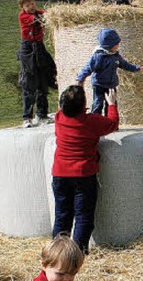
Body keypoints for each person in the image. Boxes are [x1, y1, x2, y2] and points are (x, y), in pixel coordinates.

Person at [51, 85, 119, 255]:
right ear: (84, 105)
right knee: (83, 216)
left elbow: (68, 106)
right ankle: (78, 253)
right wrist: (111, 104)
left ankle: (57, 255)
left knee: (62, 216)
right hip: (83, 175)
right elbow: (112, 124)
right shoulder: (92, 121)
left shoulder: (59, 118)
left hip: (60, 173)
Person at [76, 29, 143, 116]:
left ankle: (111, 122)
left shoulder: (116, 56)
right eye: (116, 44)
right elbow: (88, 67)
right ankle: (96, 122)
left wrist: (137, 68)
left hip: (111, 85)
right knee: (98, 104)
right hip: (99, 85)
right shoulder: (98, 57)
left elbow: (125, 65)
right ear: (108, 45)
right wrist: (81, 77)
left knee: (111, 104)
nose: (118, 45)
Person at [16, 0, 57, 128]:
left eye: (33, 3)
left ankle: (42, 114)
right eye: (28, 5)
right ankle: (27, 117)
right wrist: (47, 17)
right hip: (28, 49)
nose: (31, 7)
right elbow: (39, 20)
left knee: (42, 82)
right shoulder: (23, 16)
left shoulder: (39, 12)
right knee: (29, 83)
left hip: (39, 48)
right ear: (22, 7)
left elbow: (46, 15)